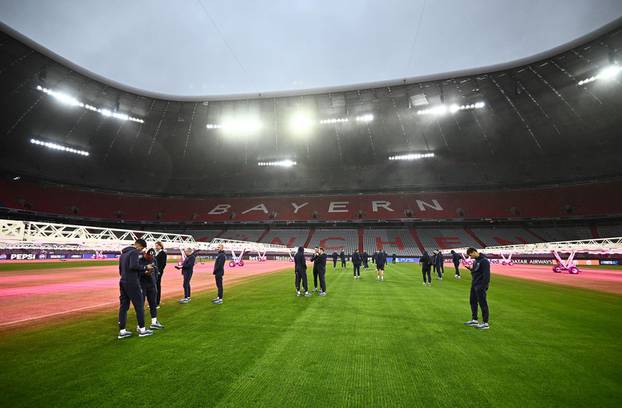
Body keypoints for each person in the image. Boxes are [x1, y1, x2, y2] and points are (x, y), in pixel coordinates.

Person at [117, 239, 153, 339]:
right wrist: (146, 267)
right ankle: (142, 330)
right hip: (132, 283)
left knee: (124, 306)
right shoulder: (134, 252)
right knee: (139, 306)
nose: (141, 251)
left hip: (123, 281)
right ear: (139, 246)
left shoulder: (123, 254)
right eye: (142, 248)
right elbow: (133, 266)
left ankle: (122, 331)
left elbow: (121, 270)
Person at [464, 248, 491, 330]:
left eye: (470, 255)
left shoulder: (484, 261)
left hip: (480, 286)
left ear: (474, 252)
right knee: (472, 302)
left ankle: (485, 323)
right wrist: (470, 268)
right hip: (474, 285)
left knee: (483, 304)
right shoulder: (476, 261)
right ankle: (474, 319)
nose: (470, 257)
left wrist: (484, 286)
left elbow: (487, 275)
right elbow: (475, 272)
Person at [140, 248, 164, 330]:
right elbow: (137, 273)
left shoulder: (154, 259)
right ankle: (140, 325)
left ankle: (154, 322)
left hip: (152, 285)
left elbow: (156, 270)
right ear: (145, 254)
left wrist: (155, 280)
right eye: (149, 255)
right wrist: (145, 273)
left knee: (153, 303)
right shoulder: (140, 260)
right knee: (141, 305)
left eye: (152, 256)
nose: (150, 257)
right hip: (142, 285)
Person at [154, 241, 167, 306]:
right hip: (153, 272)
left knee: (157, 286)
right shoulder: (155, 253)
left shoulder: (163, 253)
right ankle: (153, 301)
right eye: (155, 245)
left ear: (160, 246)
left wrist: (159, 271)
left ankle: (157, 302)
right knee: (153, 286)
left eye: (157, 246)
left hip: (158, 272)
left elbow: (163, 264)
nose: (156, 247)